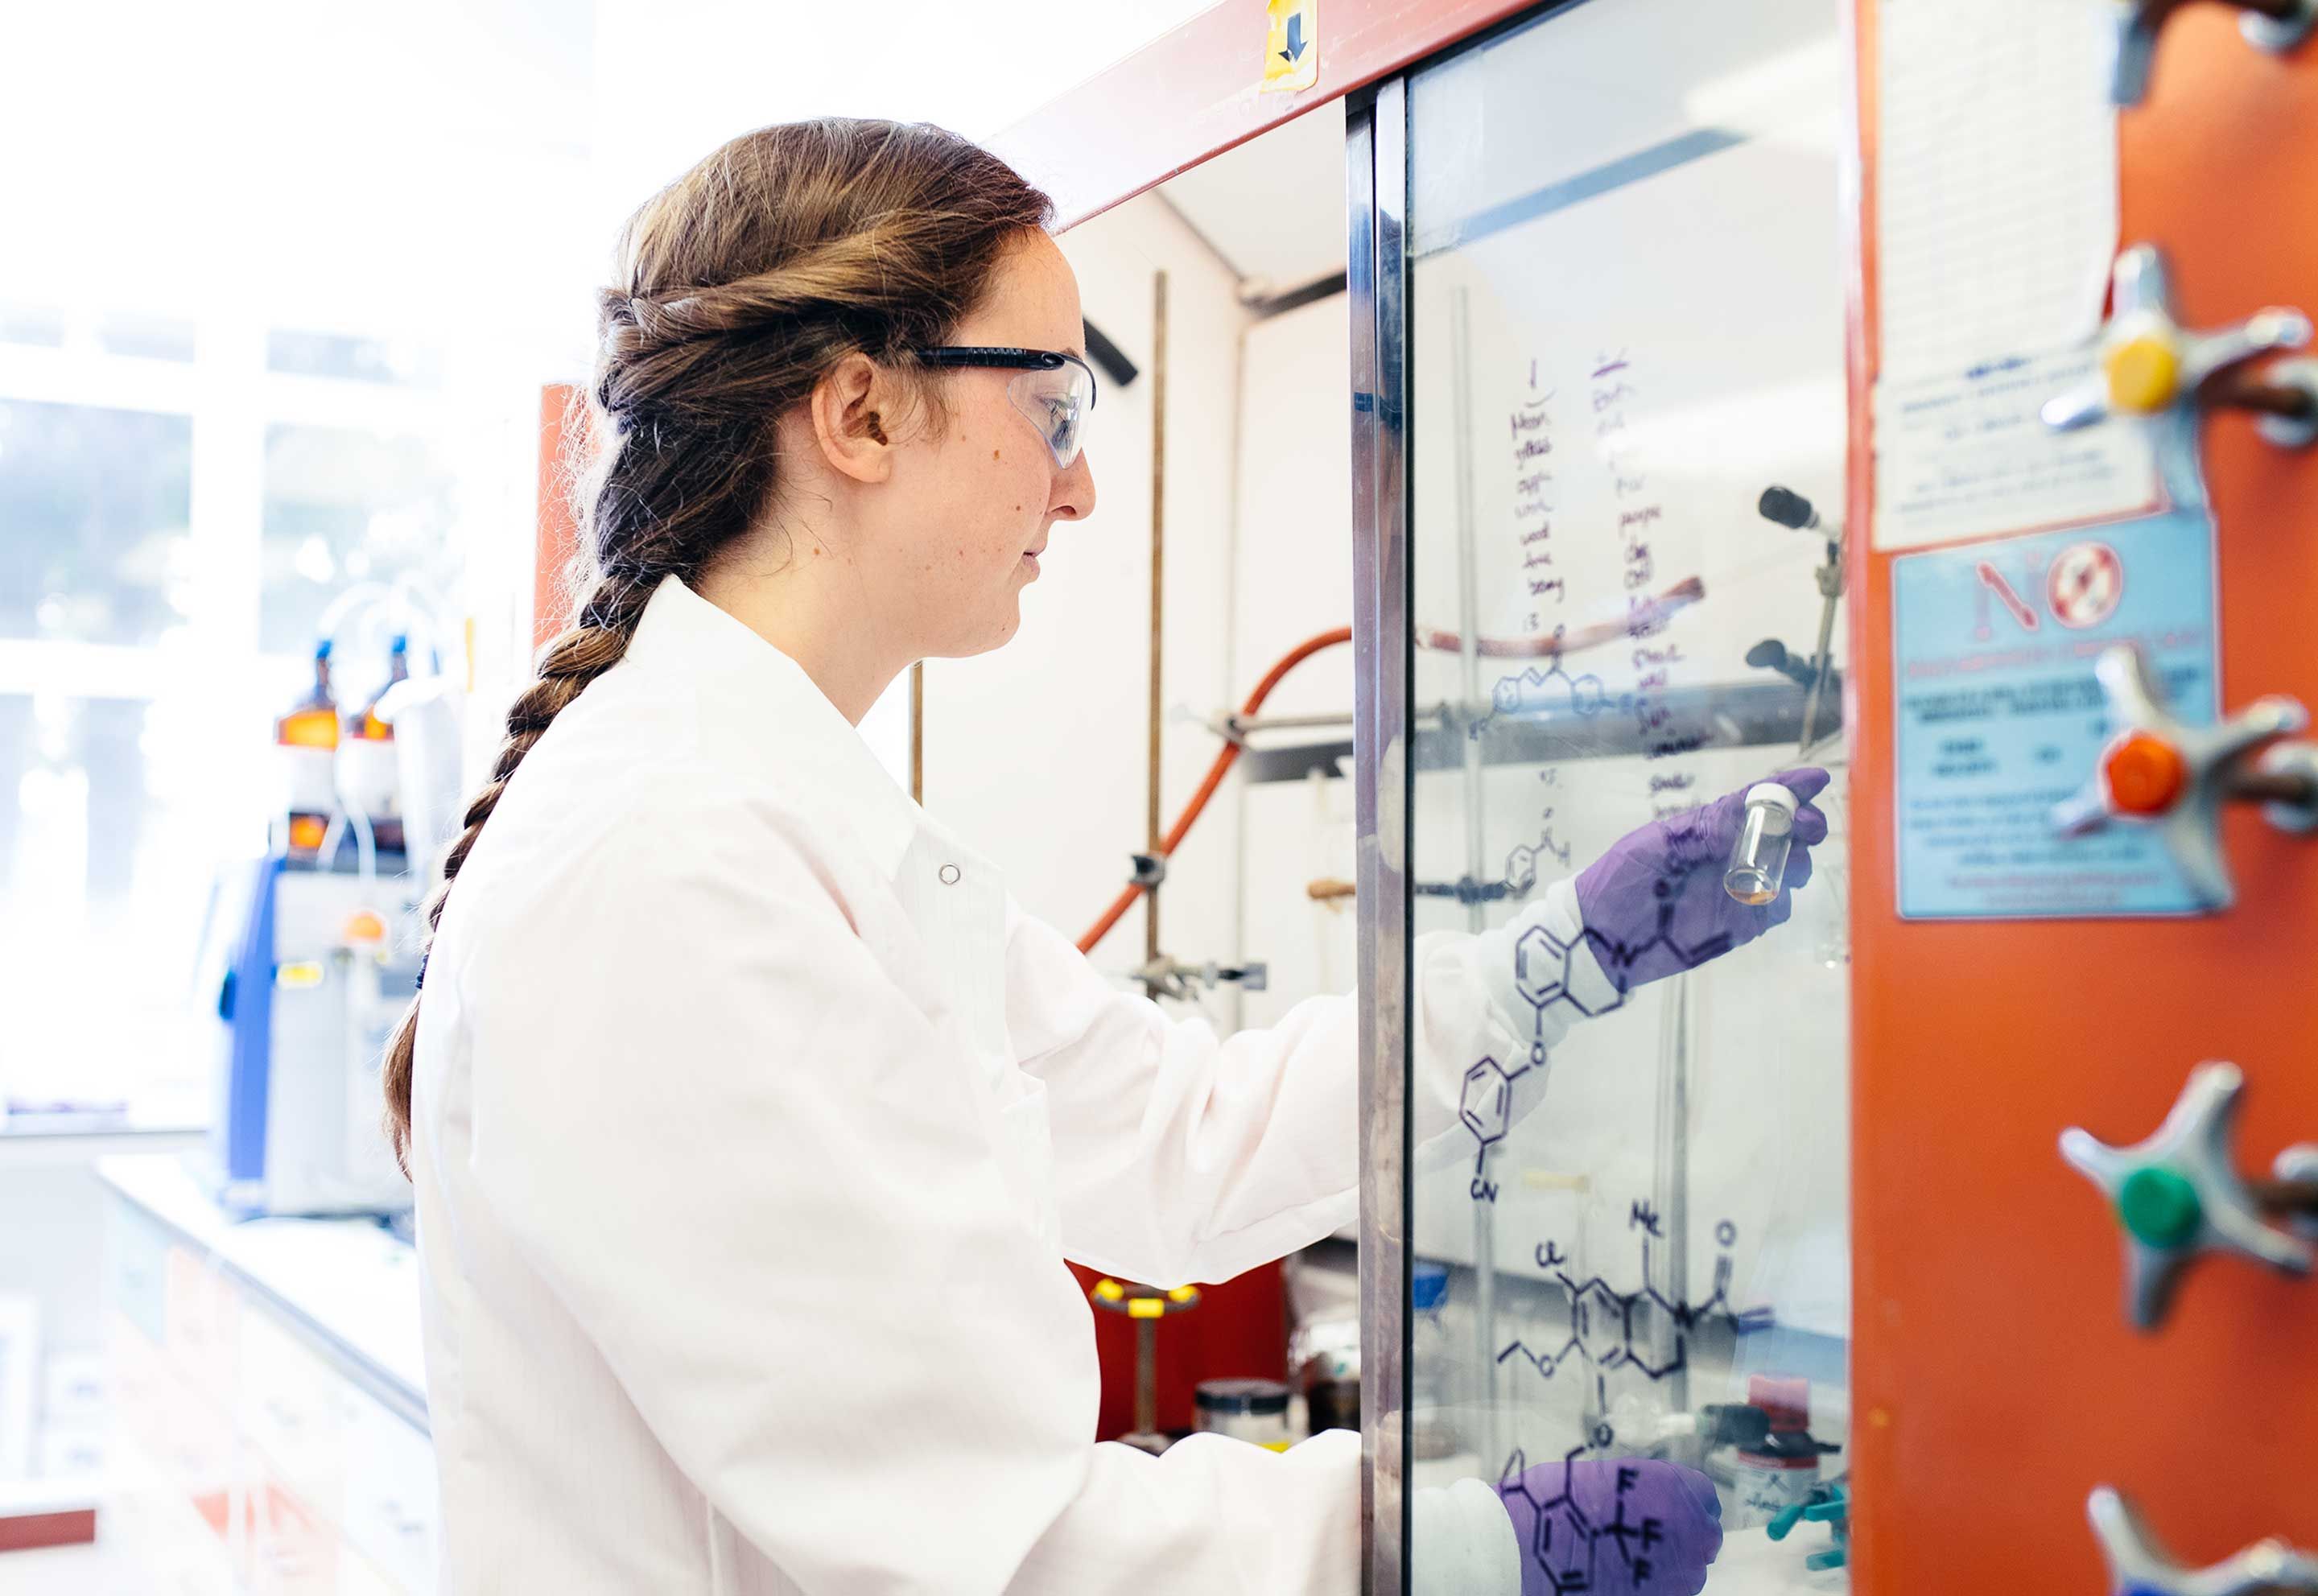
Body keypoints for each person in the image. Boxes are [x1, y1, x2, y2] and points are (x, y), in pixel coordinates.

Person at [382, 119, 1826, 1596]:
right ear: (862, 416)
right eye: (1055, 409)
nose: (1076, 491)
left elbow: (1172, 1132)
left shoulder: (781, 816)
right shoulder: (669, 864)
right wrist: (1444, 1543)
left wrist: (1558, 961)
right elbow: (992, 1556)